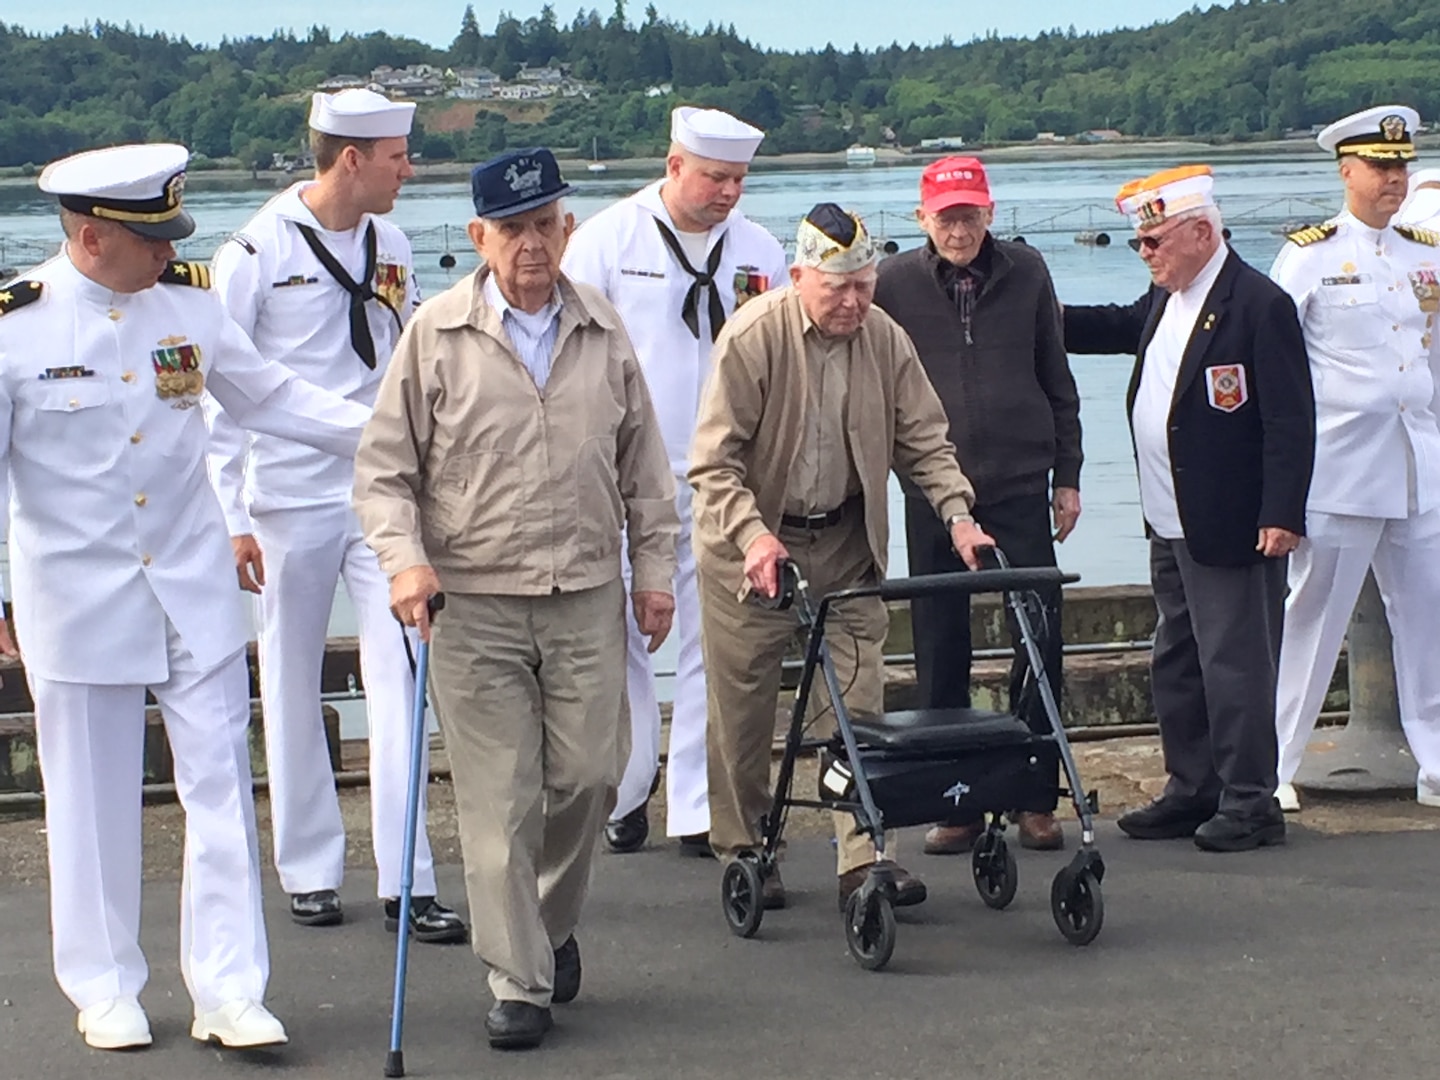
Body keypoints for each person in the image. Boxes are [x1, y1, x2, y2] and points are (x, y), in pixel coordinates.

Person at [0, 143, 373, 1050]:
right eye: (151, 237)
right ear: (90, 237)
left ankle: (230, 989)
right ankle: (104, 984)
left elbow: (274, 398)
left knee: (219, 792)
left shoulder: (192, 307)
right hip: (77, 596)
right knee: (87, 800)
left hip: (192, 590)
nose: (170, 251)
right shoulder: (17, 327)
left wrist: (393, 435)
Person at [352, 148, 678, 1051]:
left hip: (583, 593)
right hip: (474, 603)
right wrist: (403, 561)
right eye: (513, 230)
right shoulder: (435, 335)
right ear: (478, 238)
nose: (532, 245)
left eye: (546, 225)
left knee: (588, 780)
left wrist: (654, 572)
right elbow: (383, 473)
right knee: (500, 801)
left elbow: (646, 471)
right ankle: (519, 979)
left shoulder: (604, 331)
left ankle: (548, 923)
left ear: (568, 228)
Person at [204, 89, 465, 942]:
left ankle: (409, 876)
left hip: (379, 492)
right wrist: (233, 512)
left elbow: (406, 347)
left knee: (403, 676)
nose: (408, 169)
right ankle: (310, 866)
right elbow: (220, 391)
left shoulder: (389, 242)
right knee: (288, 678)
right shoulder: (253, 249)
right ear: (350, 158)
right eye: (397, 155)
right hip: (286, 496)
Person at [689, 203, 995, 912]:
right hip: (752, 547)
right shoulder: (752, 338)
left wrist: (958, 515)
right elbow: (713, 464)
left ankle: (863, 855)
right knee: (742, 716)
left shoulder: (885, 339)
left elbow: (924, 437)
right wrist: (753, 536)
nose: (854, 301)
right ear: (799, 278)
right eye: (838, 288)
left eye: (865, 284)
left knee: (856, 709)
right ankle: (747, 848)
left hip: (848, 546)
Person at [1063, 165, 1315, 851]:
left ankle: (1249, 801)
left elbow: (1291, 419)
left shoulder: (1257, 304)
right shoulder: (1164, 300)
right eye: (1139, 242)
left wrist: (1283, 511)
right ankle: (1192, 786)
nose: (1144, 253)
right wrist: (1032, 315)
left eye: (1153, 240)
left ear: (1202, 232)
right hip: (1169, 518)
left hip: (1233, 519)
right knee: (1176, 661)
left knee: (1236, 667)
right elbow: (1109, 327)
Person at [562, 106, 788, 856]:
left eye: (738, 179)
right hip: (626, 468)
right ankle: (627, 787)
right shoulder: (606, 240)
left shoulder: (757, 249)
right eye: (716, 178)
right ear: (674, 166)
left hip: (726, 475)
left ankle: (695, 804)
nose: (728, 193)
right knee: (620, 633)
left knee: (712, 641)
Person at [874, 156, 1081, 855]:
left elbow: (1057, 374)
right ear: (921, 219)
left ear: (989, 214)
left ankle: (1034, 797)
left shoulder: (1027, 271)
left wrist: (1069, 475)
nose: (958, 230)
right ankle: (954, 800)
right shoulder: (893, 283)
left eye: (969, 215)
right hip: (934, 490)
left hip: (1021, 479)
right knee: (939, 648)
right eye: (945, 217)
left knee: (1039, 636)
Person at [1269, 106, 1440, 813]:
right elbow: (1276, 365)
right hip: (1338, 467)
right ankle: (1273, 764)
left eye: (1401, 166)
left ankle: (1434, 761)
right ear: (1347, 171)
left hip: (1417, 466)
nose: (1393, 179)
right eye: (1379, 167)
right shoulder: (1309, 256)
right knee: (1311, 622)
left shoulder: (1423, 251)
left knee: (1429, 622)